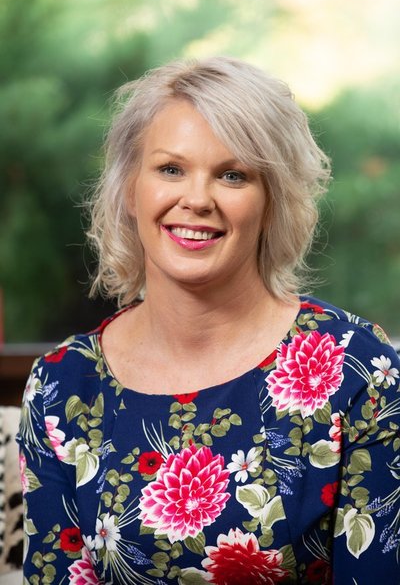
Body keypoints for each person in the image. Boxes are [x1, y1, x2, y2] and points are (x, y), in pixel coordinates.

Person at [18, 57, 400, 585]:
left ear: (273, 201)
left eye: (232, 175)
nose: (197, 200)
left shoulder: (359, 371)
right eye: (171, 169)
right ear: (129, 188)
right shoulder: (61, 386)